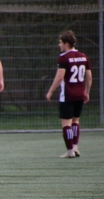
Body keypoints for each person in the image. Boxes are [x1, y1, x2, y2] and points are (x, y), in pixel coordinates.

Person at [46, 30, 92, 158]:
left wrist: (50, 92)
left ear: (66, 43)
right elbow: (89, 77)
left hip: (67, 95)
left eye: (60, 43)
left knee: (66, 124)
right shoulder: (84, 56)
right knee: (75, 121)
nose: (59, 45)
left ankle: (70, 150)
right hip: (79, 95)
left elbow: (60, 77)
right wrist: (86, 92)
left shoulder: (63, 58)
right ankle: (75, 147)